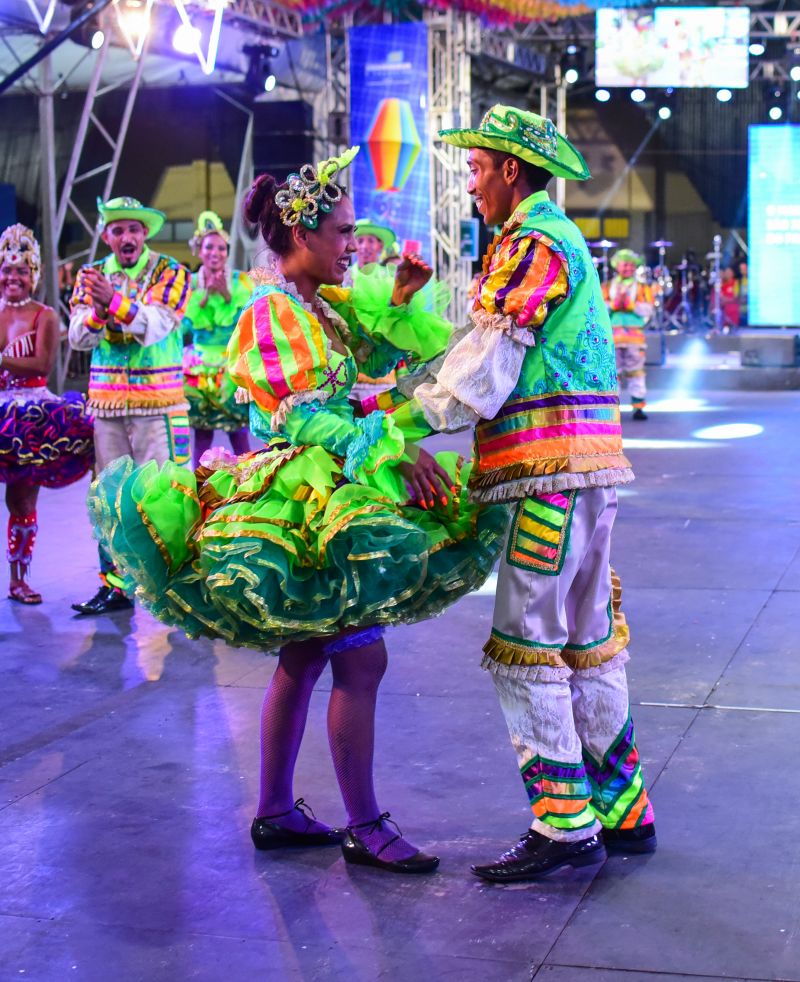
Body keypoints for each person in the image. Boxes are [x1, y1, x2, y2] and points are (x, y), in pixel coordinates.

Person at [87, 149, 506, 874]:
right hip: (310, 491)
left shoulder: (320, 308)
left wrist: (401, 302)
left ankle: (277, 812)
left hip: (332, 483)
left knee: (308, 652)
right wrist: (394, 453)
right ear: (301, 235)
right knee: (360, 659)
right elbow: (310, 416)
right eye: (342, 232)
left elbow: (375, 373)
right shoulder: (273, 309)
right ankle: (365, 824)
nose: (353, 246)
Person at [399, 105, 656, 881]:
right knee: (585, 641)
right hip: (584, 475)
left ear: (512, 169)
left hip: (548, 479)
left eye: (478, 169)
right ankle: (622, 808)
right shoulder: (551, 238)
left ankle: (562, 824)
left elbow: (487, 364)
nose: (472, 185)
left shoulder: (534, 241)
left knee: (526, 642)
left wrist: (401, 417)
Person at [68, 196, 191, 615]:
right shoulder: (92, 275)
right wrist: (99, 312)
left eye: (134, 229)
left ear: (145, 235)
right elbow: (77, 339)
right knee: (109, 498)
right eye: (118, 229)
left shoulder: (171, 272)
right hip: (107, 408)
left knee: (162, 495)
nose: (127, 236)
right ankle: (116, 586)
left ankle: (176, 585)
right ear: (106, 236)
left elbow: (155, 327)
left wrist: (113, 302)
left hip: (158, 406)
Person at [0, 224, 93, 603]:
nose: (13, 277)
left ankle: (18, 578)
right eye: (7, 270)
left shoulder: (46, 316)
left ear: (34, 275)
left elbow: (41, 362)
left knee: (22, 501)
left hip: (31, 418)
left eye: (21, 270)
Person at [183, 211, 253, 466]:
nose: (215, 253)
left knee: (238, 431)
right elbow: (183, 328)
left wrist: (225, 296)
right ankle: (199, 487)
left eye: (221, 248)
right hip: (198, 368)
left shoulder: (240, 283)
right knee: (201, 432)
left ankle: (249, 485)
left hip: (230, 366)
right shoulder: (189, 283)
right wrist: (202, 299)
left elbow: (247, 325)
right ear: (199, 251)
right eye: (209, 247)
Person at [602, 249, 653, 421]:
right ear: (617, 266)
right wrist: (614, 305)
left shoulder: (643, 288)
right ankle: (611, 409)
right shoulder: (607, 287)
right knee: (612, 373)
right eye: (625, 264)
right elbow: (600, 308)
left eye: (631, 265)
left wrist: (631, 305)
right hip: (613, 337)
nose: (628, 268)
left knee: (636, 372)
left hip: (634, 337)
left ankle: (638, 407)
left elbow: (648, 309)